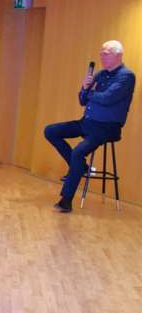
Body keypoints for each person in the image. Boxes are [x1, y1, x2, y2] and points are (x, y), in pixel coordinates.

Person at [44, 40, 135, 213]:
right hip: (87, 122)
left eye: (106, 53)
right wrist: (84, 88)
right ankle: (80, 167)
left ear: (118, 55)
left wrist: (89, 92)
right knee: (51, 131)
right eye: (101, 53)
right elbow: (82, 100)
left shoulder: (126, 76)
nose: (102, 56)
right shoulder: (100, 74)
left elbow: (108, 99)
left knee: (78, 152)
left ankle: (66, 200)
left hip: (107, 127)